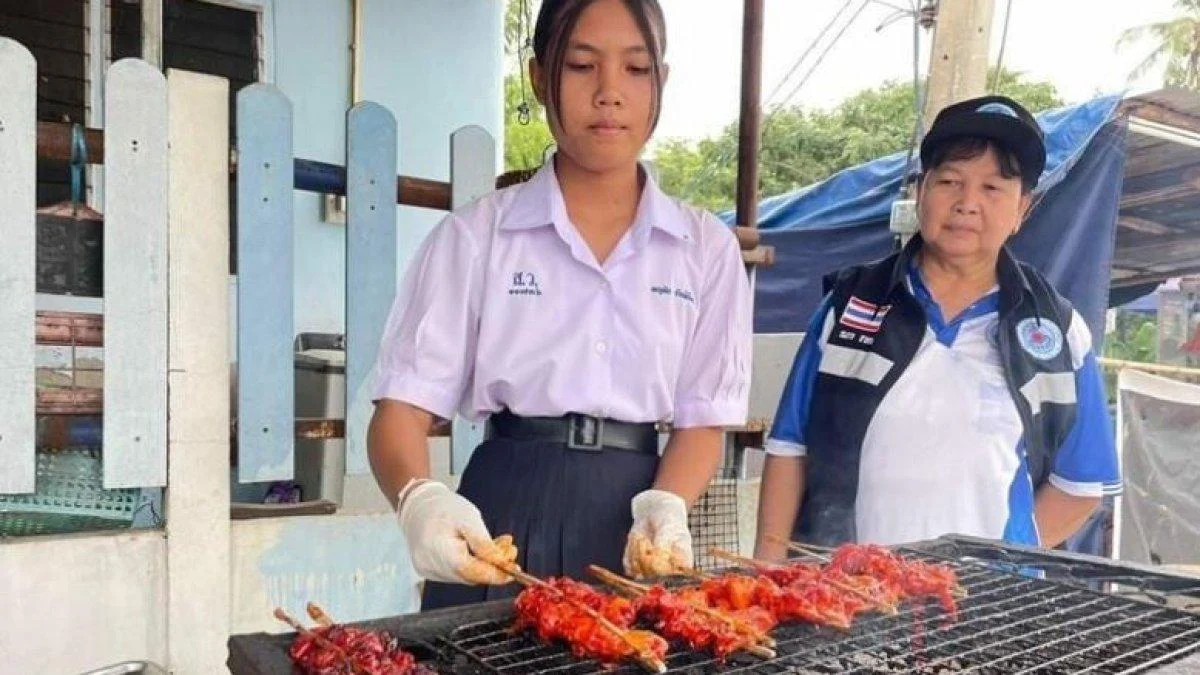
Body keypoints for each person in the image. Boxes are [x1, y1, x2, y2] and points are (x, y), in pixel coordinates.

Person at [368, 0, 752, 609]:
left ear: (662, 81)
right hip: (502, 514)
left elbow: (702, 418)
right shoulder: (476, 237)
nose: (609, 93)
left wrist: (667, 502)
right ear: (539, 77)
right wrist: (420, 499)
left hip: (636, 518)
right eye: (580, 65)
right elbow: (401, 411)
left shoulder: (704, 249)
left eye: (635, 69)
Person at [754, 95, 1121, 558]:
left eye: (992, 188)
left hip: (987, 607)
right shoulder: (847, 309)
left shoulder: (1057, 332)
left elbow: (1080, 485)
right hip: (849, 600)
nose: (968, 203)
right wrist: (768, 570)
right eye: (950, 181)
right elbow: (789, 450)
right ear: (919, 192)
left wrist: (1000, 562)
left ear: (1022, 210)